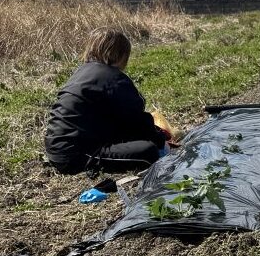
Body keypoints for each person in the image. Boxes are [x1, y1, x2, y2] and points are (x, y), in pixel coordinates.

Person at [44, 28, 174, 175]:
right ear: (122, 55)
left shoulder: (82, 72)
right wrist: (160, 139)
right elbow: (136, 121)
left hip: (59, 147)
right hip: (75, 155)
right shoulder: (115, 79)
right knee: (148, 151)